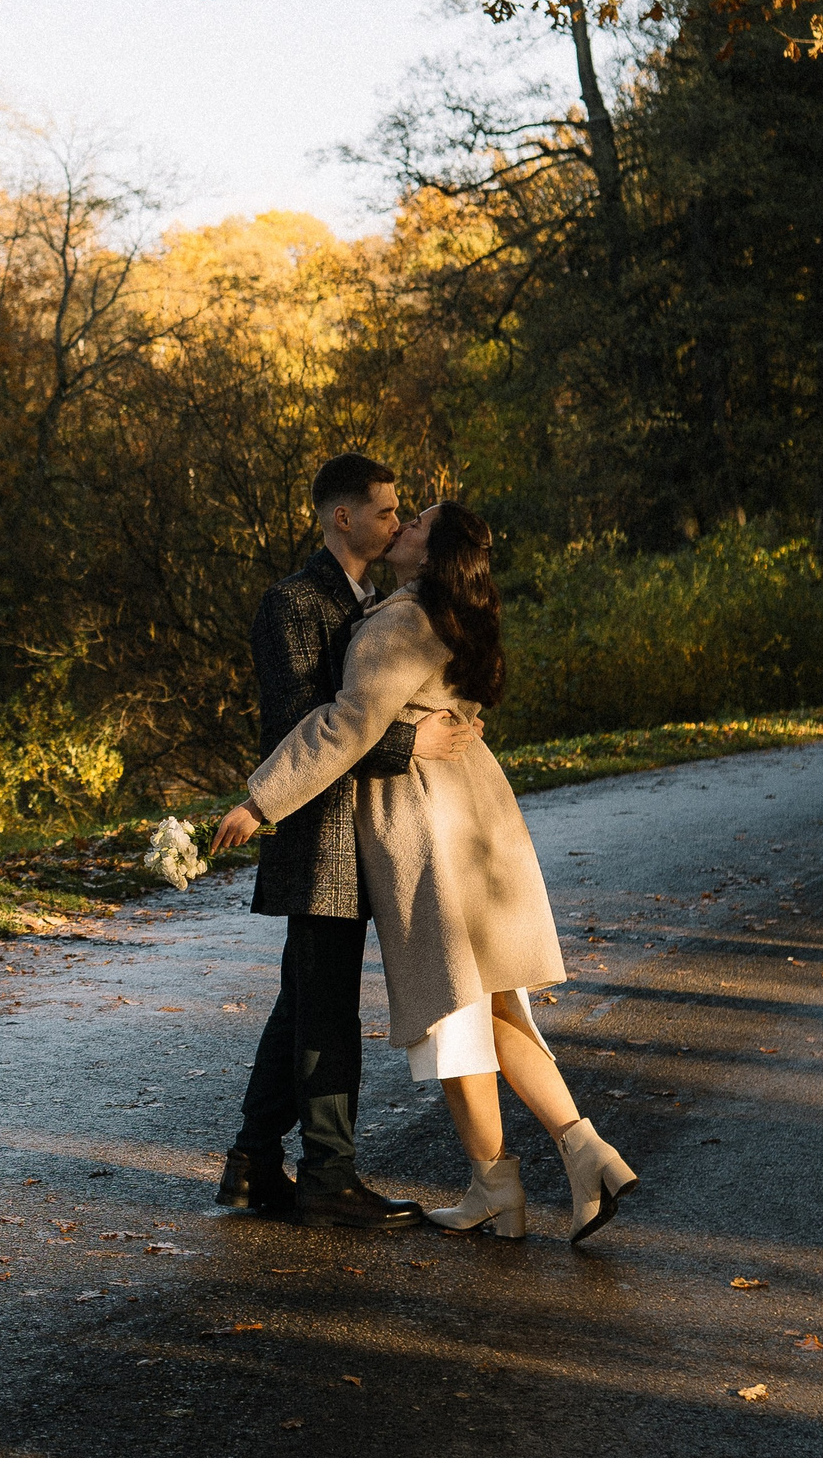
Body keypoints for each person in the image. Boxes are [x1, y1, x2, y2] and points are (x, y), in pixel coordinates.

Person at [214, 501, 637, 1242]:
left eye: (414, 524)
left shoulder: (400, 621)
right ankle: (582, 1149)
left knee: (455, 1017)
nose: (401, 525)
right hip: (482, 824)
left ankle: (497, 1187)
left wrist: (262, 799)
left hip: (431, 830)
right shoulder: (453, 613)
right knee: (501, 1009)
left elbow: (346, 724)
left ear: (430, 552)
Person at [216, 454, 486, 1231]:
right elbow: (303, 725)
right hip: (318, 834)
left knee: (304, 1001)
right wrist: (409, 742)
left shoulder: (385, 599)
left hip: (365, 830)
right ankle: (328, 1178)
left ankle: (252, 1164)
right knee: (326, 1009)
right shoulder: (291, 603)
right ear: (343, 517)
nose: (398, 523)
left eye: (404, 514)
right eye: (386, 512)